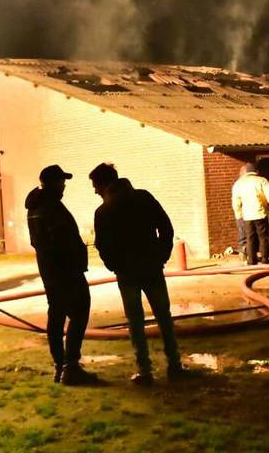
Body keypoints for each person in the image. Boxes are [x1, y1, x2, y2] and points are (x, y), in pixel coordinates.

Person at [90, 163, 186, 385]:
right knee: (164, 317)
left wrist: (114, 265)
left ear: (104, 184)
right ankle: (175, 365)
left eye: (96, 186)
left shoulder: (104, 211)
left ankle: (145, 370)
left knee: (135, 321)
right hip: (152, 266)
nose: (95, 191)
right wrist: (161, 254)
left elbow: (102, 245)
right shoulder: (143, 197)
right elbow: (166, 226)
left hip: (127, 273)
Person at [26, 165, 97, 385]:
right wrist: (74, 263)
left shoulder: (34, 208)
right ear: (52, 183)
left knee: (56, 316)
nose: (64, 186)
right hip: (66, 271)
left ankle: (60, 366)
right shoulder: (51, 208)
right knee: (79, 312)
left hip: (50, 271)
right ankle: (71, 367)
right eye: (61, 182)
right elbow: (61, 242)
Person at [231, 164, 269, 265]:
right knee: (263, 238)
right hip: (261, 214)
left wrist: (238, 215)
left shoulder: (238, 184)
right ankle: (265, 259)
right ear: (255, 171)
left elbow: (236, 202)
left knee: (250, 238)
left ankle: (251, 260)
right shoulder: (262, 180)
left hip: (247, 216)